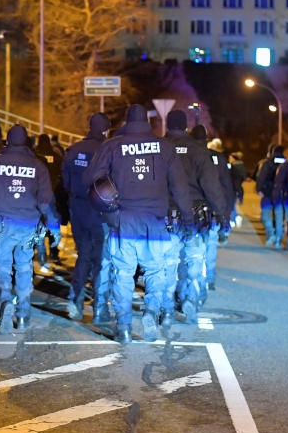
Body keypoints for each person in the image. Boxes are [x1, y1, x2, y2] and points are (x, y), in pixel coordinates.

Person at [86, 104, 193, 344]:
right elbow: (179, 186)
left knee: (123, 273)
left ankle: (123, 326)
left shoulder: (112, 145)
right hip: (155, 221)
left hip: (123, 220)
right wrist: (187, 218)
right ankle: (151, 312)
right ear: (147, 121)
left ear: (126, 121)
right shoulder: (165, 147)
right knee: (155, 270)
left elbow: (90, 178)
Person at [0, 124, 60, 334]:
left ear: (7, 141)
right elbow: (46, 202)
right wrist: (54, 228)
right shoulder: (38, 166)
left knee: (1, 266)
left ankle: (5, 302)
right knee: (24, 267)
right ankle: (23, 313)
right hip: (28, 224)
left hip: (1, 223)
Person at [165, 111, 229, 329]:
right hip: (195, 214)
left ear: (167, 125)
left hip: (166, 212)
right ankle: (191, 300)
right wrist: (221, 213)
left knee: (168, 262)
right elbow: (212, 186)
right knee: (194, 259)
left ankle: (166, 307)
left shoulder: (160, 147)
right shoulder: (199, 151)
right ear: (185, 127)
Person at [62, 113, 112, 322]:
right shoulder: (107, 150)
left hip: (78, 207)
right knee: (101, 259)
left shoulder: (73, 150)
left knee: (83, 255)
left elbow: (64, 181)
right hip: (100, 210)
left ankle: (75, 302)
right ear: (106, 130)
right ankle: (100, 308)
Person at [192, 124, 233, 295]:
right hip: (214, 210)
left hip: (192, 209)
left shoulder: (187, 156)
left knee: (191, 248)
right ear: (207, 139)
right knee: (210, 246)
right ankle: (209, 279)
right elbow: (227, 187)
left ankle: (192, 282)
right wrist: (226, 213)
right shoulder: (218, 158)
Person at [35, 133, 63, 267]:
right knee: (52, 223)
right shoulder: (56, 156)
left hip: (38, 196)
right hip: (53, 194)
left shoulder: (35, 157)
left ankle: (40, 252)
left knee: (39, 224)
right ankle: (53, 251)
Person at [255, 144, 285, 247]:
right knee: (279, 217)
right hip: (280, 194)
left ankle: (270, 233)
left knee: (265, 215)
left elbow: (260, 176)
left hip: (268, 192)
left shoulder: (267, 162)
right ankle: (278, 240)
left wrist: (259, 189)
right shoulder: (286, 162)